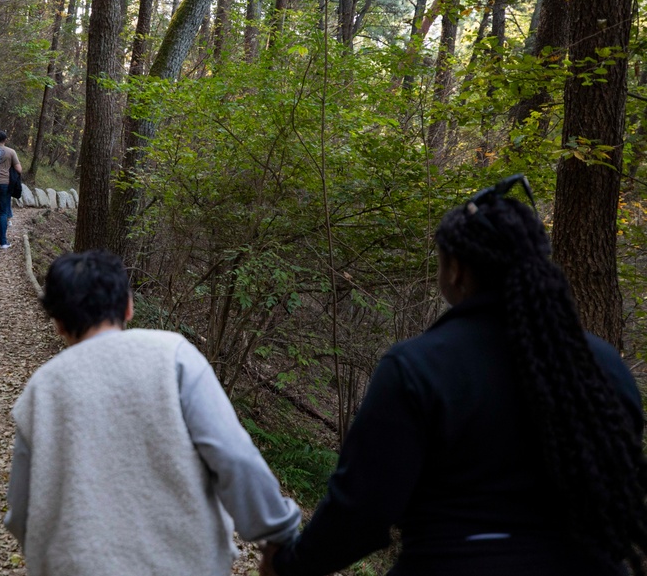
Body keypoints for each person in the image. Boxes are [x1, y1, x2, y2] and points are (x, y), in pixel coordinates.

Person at [262, 175, 647, 576]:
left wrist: (288, 564)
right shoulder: (605, 367)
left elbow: (360, 513)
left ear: (458, 270)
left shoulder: (417, 367)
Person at [5, 250, 301, 575]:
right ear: (128, 307)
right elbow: (233, 456)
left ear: (58, 322)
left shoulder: (40, 390)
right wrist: (277, 533)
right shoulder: (172, 356)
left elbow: (21, 512)